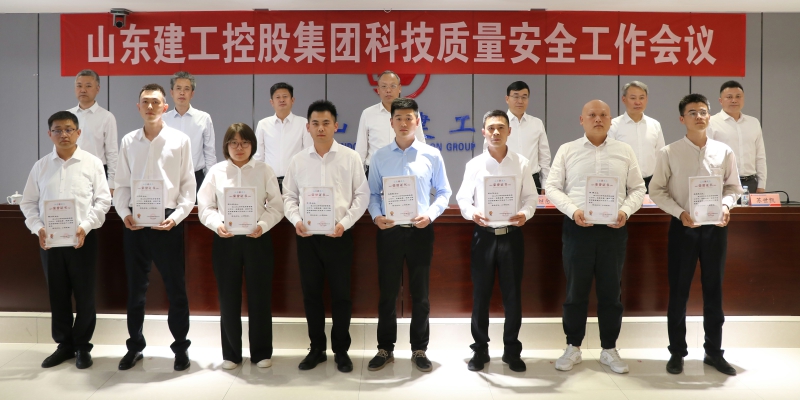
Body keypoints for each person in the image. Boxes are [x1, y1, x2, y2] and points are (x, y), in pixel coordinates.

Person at [545, 100, 646, 374]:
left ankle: (609, 349)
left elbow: (638, 188)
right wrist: (573, 210)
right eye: (592, 115)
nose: (598, 119)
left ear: (611, 120)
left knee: (611, 292)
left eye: (603, 115)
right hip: (578, 229)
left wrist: (625, 211)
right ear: (582, 119)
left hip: (614, 231)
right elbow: (552, 187)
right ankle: (573, 347)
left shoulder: (624, 151)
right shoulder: (567, 150)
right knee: (575, 291)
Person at [649, 93, 743, 376]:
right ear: (682, 119)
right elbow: (656, 190)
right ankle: (677, 352)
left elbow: (734, 188)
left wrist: (725, 206)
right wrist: (679, 212)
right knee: (679, 291)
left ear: (709, 116)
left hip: (715, 229)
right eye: (692, 112)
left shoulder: (724, 151)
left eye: (703, 112)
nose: (699, 117)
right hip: (683, 228)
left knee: (714, 290)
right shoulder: (669, 152)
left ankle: (714, 352)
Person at [282, 100, 369, 373]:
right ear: (307, 127)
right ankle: (317, 348)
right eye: (316, 123)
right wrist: (296, 220)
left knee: (342, 295)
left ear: (336, 126)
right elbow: (288, 196)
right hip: (307, 237)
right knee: (311, 295)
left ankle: (341, 350)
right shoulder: (297, 160)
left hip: (339, 236)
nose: (321, 128)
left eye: (326, 123)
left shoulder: (350, 158)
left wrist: (344, 223)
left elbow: (362, 195)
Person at [114, 83, 196, 372]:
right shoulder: (128, 141)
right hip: (135, 223)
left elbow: (188, 186)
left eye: (155, 102)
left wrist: (177, 217)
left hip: (167, 222)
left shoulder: (180, 140)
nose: (150, 107)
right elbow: (121, 185)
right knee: (136, 289)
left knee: (176, 288)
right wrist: (124, 213)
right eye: (145, 102)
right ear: (138, 107)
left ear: (165, 107)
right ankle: (135, 346)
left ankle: (181, 348)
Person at [366, 97, 452, 373]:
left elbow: (444, 192)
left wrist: (431, 215)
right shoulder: (379, 156)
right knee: (388, 294)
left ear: (417, 121)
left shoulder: (431, 155)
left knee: (420, 294)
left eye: (409, 118)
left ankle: (419, 349)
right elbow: (372, 194)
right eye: (398, 118)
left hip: (420, 231)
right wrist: (376, 216)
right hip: (389, 232)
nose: (403, 123)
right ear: (391, 122)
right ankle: (385, 348)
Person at [20, 111, 111, 369]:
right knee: (57, 294)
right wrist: (38, 228)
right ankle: (64, 345)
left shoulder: (92, 163)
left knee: (85, 295)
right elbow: (28, 203)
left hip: (83, 239)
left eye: (69, 129)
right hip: (49, 242)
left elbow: (103, 201)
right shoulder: (40, 166)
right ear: (49, 134)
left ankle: (82, 346)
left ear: (78, 132)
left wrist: (85, 226)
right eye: (57, 130)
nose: (64, 134)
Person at [198, 123, 283, 370]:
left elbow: (276, 206)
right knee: (228, 298)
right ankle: (231, 354)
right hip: (226, 240)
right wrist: (217, 224)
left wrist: (263, 225)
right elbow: (205, 206)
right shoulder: (216, 172)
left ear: (252, 145)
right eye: (233, 143)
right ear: (226, 146)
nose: (239, 147)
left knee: (260, 297)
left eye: (245, 142)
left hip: (257, 239)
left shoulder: (264, 170)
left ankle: (261, 352)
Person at [457, 110, 537, 372]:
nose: (495, 132)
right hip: (484, 236)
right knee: (480, 295)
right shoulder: (474, 164)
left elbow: (531, 198)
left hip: (512, 236)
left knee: (512, 296)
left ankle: (511, 351)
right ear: (483, 132)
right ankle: (480, 349)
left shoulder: (522, 163)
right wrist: (472, 213)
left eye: (501, 127)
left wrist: (525, 214)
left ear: (509, 131)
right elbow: (462, 198)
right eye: (491, 128)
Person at [483, 81, 550, 194]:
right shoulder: (498, 123)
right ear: (507, 99)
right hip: (504, 179)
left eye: (524, 97)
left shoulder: (537, 123)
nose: (520, 101)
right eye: (516, 96)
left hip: (532, 179)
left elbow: (544, 157)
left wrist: (545, 184)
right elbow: (487, 153)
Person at [355, 71, 426, 177]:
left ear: (400, 88)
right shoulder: (368, 113)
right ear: (378, 90)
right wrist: (357, 178)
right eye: (384, 86)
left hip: (405, 171)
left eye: (393, 86)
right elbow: (361, 150)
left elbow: (420, 143)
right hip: (375, 172)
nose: (388, 90)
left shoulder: (410, 113)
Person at [707, 81, 767, 194]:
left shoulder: (753, 122)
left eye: (738, 96)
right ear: (720, 101)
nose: (734, 100)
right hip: (724, 183)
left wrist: (761, 185)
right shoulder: (711, 122)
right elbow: (707, 157)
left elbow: (760, 156)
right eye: (729, 97)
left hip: (751, 183)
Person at [164, 71, 217, 193]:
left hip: (196, 177)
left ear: (192, 93)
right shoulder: (163, 119)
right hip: (169, 177)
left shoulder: (203, 118)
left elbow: (210, 153)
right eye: (178, 88)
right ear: (172, 92)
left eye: (186, 89)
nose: (182, 93)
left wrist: (212, 182)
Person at [608, 81, 665, 193]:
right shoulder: (613, 125)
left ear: (646, 99)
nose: (638, 102)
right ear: (624, 99)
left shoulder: (655, 125)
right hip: (623, 184)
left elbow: (660, 155)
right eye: (633, 98)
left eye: (641, 98)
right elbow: (610, 157)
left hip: (650, 183)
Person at [253, 82, 311, 192]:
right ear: (272, 102)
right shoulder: (263, 124)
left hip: (296, 182)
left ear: (292, 100)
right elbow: (258, 157)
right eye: (278, 97)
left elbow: (308, 154)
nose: (282, 100)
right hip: (270, 182)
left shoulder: (303, 123)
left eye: (285, 96)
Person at [67, 69, 118, 194]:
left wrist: (112, 183)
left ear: (97, 89)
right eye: (79, 86)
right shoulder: (67, 116)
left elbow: (112, 152)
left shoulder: (106, 117)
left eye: (88, 86)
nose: (83, 90)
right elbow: (58, 147)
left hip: (97, 172)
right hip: (70, 170)